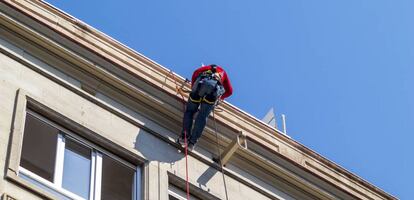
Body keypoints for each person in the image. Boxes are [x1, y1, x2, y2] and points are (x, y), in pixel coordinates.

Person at [177, 64, 233, 151]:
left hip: (199, 87)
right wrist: (220, 98)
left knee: (190, 111)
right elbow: (229, 91)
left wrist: (193, 88)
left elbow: (195, 73)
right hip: (212, 93)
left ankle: (184, 136)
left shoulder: (208, 68)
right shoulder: (223, 73)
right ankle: (192, 142)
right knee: (202, 116)